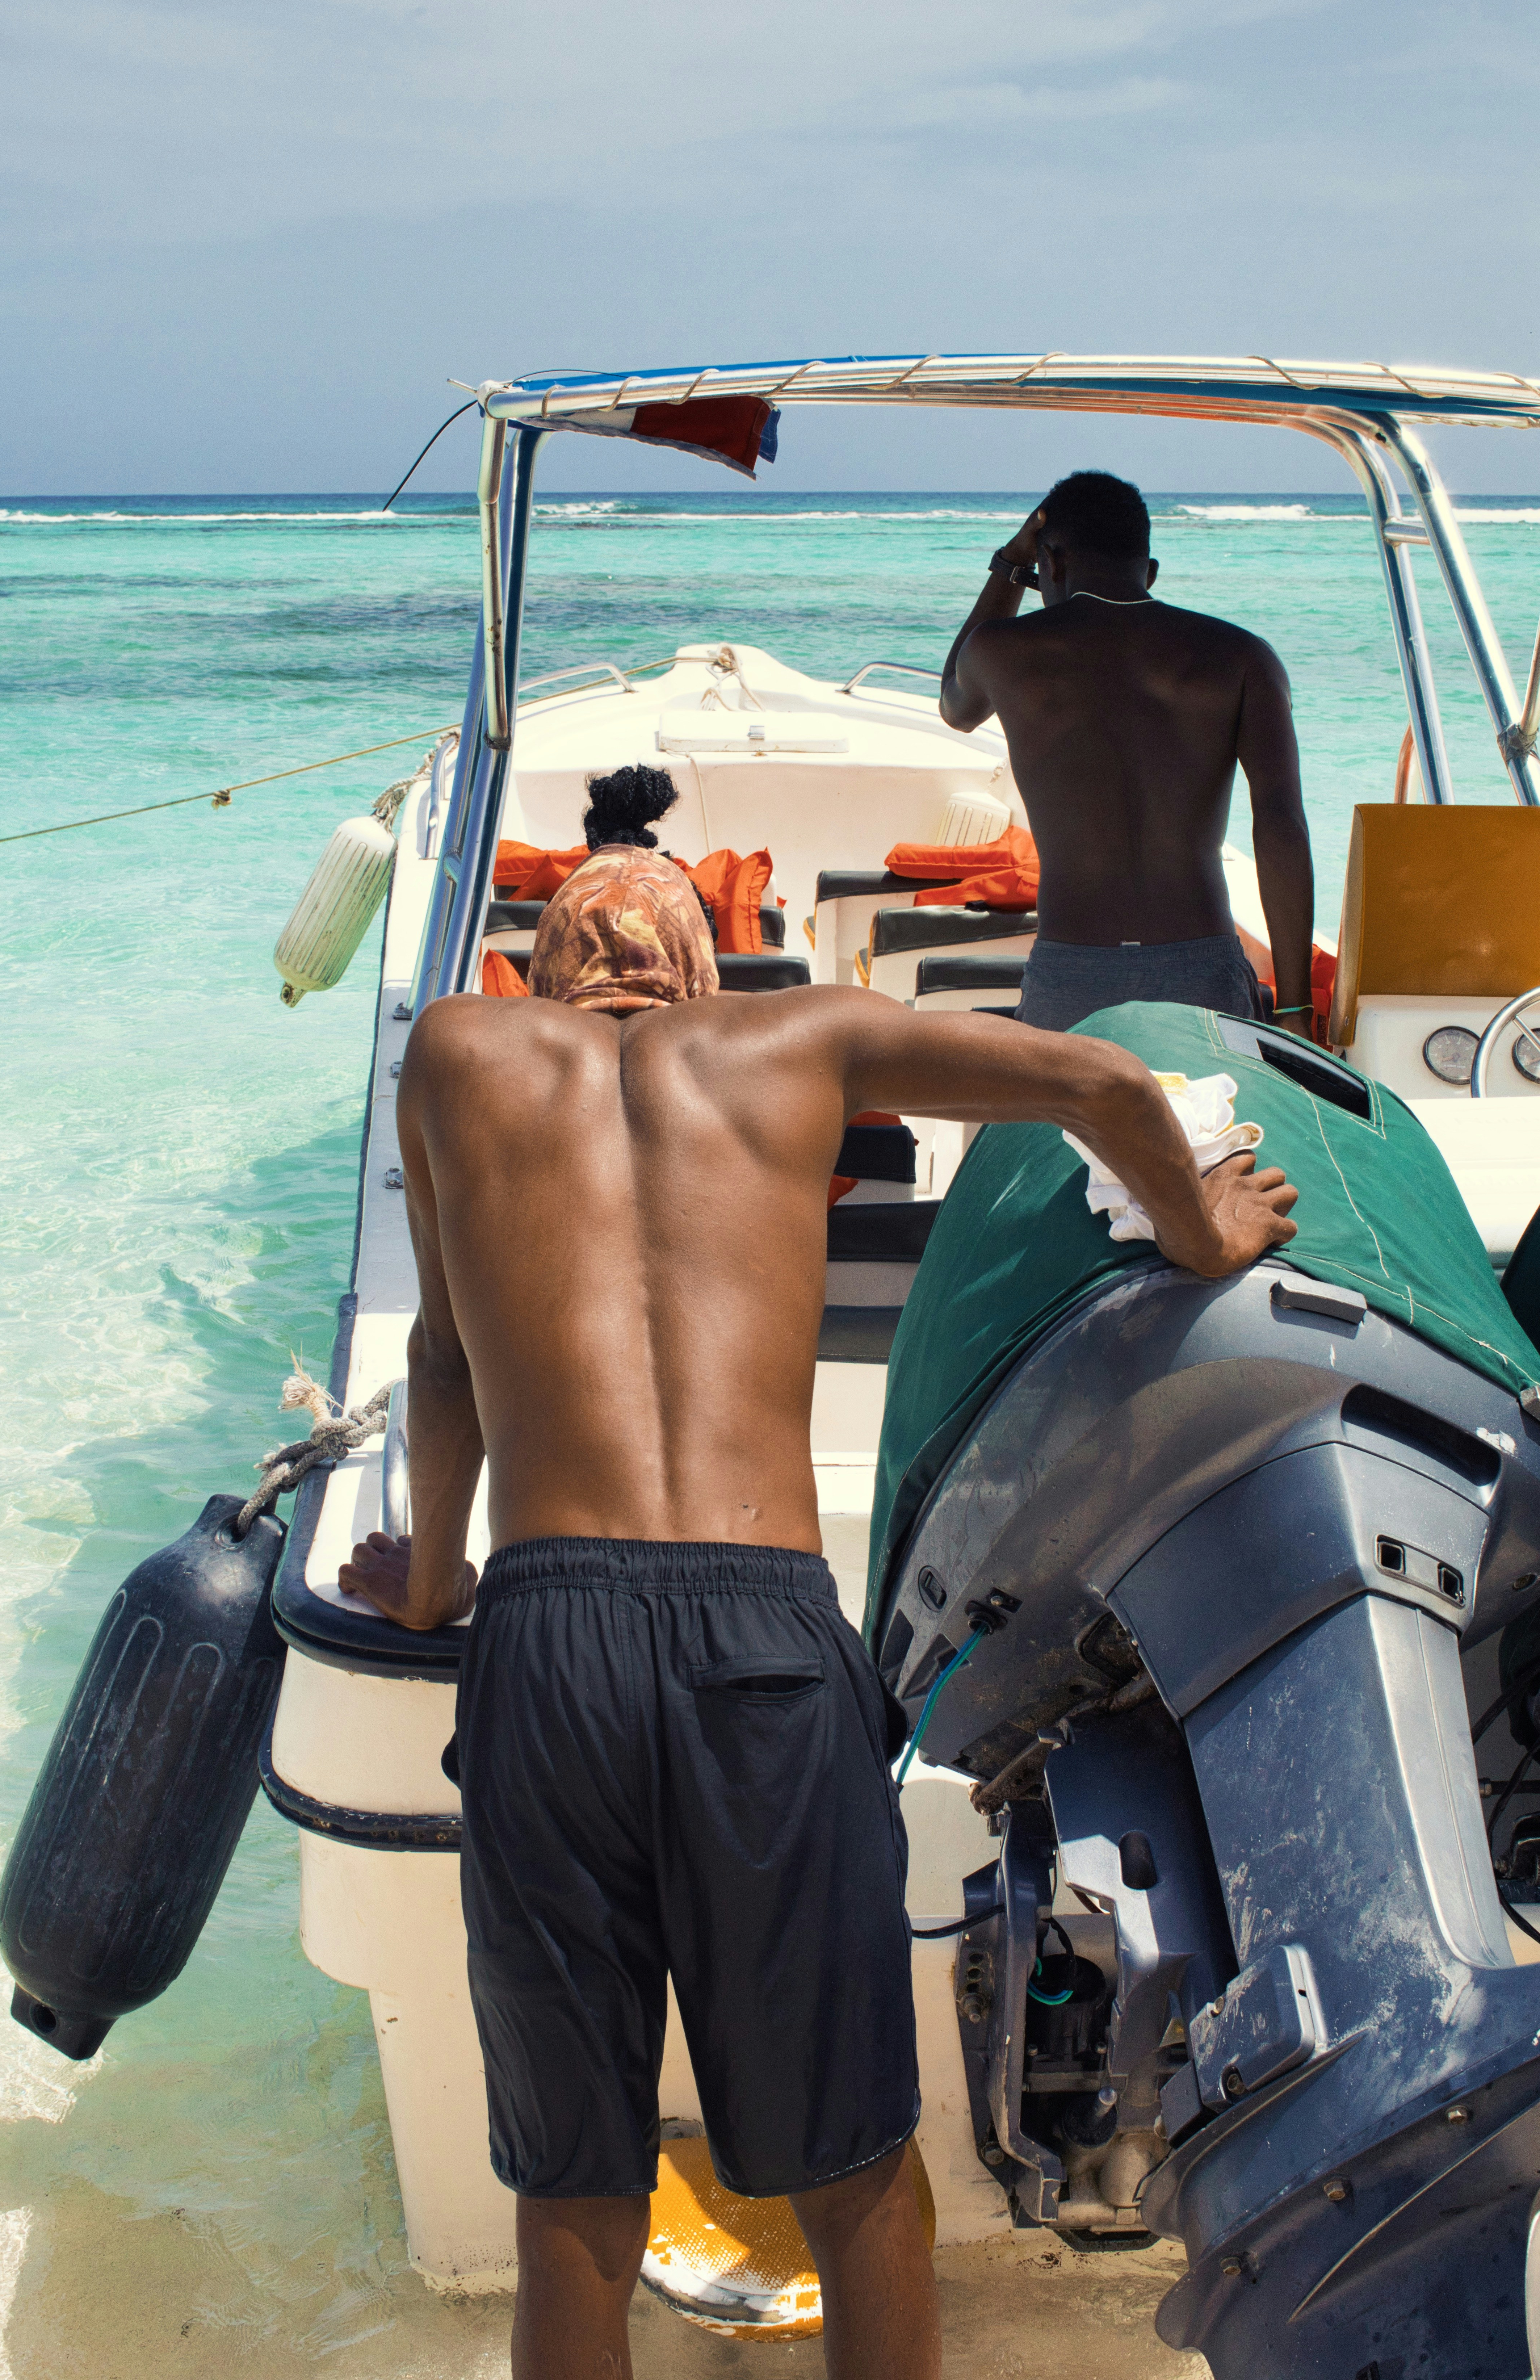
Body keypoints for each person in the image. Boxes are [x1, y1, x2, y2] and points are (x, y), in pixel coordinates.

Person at [339, 766, 1300, 2380]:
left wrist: (433, 1593)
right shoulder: (805, 1036)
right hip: (762, 1645)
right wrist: (1198, 1227)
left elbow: (445, 1371)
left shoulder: (456, 1048)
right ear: (702, 973)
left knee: (573, 2204)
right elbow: (1093, 1072)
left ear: (550, 970)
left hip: (548, 1637)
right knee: (862, 2183)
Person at [939, 470, 1316, 1038]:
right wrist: (1294, 1006)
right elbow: (1282, 825)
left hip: (1072, 967)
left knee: (1062, 1129)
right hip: (1202, 967)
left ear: (1053, 566)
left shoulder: (1002, 650)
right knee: (1215, 1127)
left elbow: (956, 709)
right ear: (1151, 571)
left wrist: (1011, 566)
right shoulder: (1243, 657)